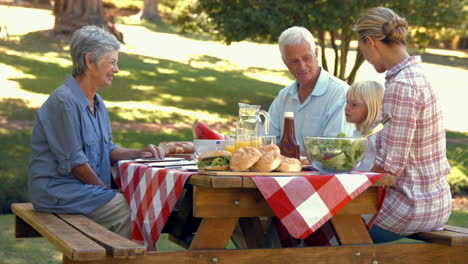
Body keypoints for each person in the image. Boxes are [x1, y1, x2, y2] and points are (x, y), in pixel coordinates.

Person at [28, 25, 165, 239]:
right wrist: (106, 193)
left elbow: (106, 148)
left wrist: (137, 153)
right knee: (125, 209)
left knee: (140, 203)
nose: (116, 69)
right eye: (112, 62)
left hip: (83, 191)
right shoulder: (64, 102)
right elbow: (76, 163)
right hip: (59, 192)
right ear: (89, 61)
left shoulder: (98, 102)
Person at [353, 7, 452, 243]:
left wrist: (349, 189)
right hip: (433, 201)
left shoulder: (402, 86)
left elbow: (389, 168)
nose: (364, 56)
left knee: (326, 227)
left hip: (410, 206)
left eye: (362, 49)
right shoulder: (416, 75)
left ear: (370, 42)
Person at [268, 26, 353, 151]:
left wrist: (291, 156)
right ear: (285, 62)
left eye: (307, 58)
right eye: (294, 61)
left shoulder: (340, 93)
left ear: (316, 53)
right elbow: (268, 142)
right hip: (286, 169)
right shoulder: (284, 97)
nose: (302, 66)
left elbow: (336, 149)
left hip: (324, 170)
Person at [345, 80, 385, 171]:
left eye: (354, 104)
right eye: (347, 102)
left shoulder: (375, 136)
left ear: (371, 107)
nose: (347, 107)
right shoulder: (359, 133)